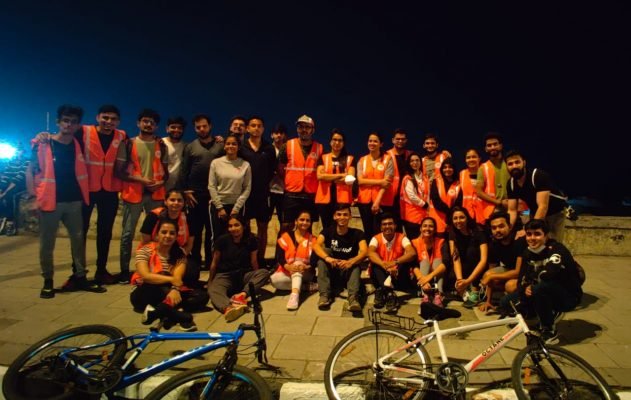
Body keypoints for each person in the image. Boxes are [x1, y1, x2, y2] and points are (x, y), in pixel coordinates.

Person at [27, 105, 106, 298]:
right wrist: (32, 198)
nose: (68, 125)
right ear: (58, 122)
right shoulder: (44, 143)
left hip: (74, 200)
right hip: (50, 200)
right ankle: (48, 281)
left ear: (78, 125)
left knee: (78, 241)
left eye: (73, 122)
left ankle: (80, 276)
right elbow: (31, 170)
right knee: (47, 244)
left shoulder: (77, 144)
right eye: (65, 120)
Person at [500, 219, 583, 344]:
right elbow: (521, 279)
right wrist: (525, 288)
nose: (532, 238)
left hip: (567, 295)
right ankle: (537, 314)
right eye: (529, 234)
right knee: (506, 303)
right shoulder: (527, 253)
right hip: (539, 290)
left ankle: (549, 330)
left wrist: (532, 284)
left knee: (540, 288)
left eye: (537, 234)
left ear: (546, 235)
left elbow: (549, 273)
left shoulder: (557, 249)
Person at [115, 109, 169, 283]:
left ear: (156, 126)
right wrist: (140, 180)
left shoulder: (161, 145)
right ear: (138, 123)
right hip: (133, 194)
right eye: (145, 121)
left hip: (156, 194)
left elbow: (166, 173)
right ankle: (125, 270)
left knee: (156, 234)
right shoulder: (128, 144)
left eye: (152, 122)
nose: (148, 124)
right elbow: (120, 172)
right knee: (127, 234)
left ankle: (154, 268)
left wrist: (160, 183)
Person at [131, 219, 209, 332]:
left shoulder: (179, 253)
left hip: (168, 290)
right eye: (164, 232)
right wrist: (173, 285)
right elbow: (146, 276)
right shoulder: (145, 250)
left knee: (202, 297)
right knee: (162, 276)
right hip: (145, 292)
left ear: (176, 236)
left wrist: (175, 289)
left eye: (172, 233)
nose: (168, 236)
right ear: (157, 234)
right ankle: (181, 315)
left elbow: (178, 277)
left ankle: (158, 312)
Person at [177, 114, 224, 271]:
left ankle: (211, 262)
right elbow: (184, 170)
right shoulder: (190, 147)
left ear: (210, 126)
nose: (202, 129)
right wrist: (186, 191)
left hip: (214, 195)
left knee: (212, 231)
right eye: (198, 127)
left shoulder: (220, 146)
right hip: (194, 196)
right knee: (195, 231)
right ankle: (195, 262)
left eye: (204, 126)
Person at [208, 214, 270, 322]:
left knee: (264, 272)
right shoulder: (222, 240)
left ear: (243, 226)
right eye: (230, 226)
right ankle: (229, 307)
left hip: (243, 275)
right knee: (213, 290)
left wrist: (256, 280)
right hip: (225, 275)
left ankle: (241, 296)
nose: (233, 229)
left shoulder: (251, 240)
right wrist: (210, 281)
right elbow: (214, 262)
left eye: (236, 225)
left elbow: (254, 261)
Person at [313, 203, 368, 312]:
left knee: (356, 263)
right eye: (339, 214)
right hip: (333, 269)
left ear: (350, 217)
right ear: (334, 216)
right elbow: (316, 245)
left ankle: (353, 299)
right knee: (323, 256)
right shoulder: (327, 231)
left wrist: (351, 261)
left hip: (348, 271)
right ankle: (324, 296)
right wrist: (328, 258)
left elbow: (364, 251)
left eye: (345, 215)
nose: (342, 217)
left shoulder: (358, 233)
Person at [505, 150, 568, 242]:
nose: (514, 166)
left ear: (524, 162)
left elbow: (543, 206)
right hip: (535, 212)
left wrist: (528, 230)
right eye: (510, 164)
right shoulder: (511, 184)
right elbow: (512, 210)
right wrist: (508, 228)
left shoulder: (538, 176)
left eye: (517, 162)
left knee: (553, 244)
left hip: (555, 213)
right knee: (532, 242)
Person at [138, 190, 197, 286]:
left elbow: (189, 245)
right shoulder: (153, 216)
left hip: (178, 254)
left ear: (184, 202)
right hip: (155, 254)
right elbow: (145, 241)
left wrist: (178, 261)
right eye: (172, 200)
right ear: (165, 201)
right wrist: (161, 261)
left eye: (179, 200)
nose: (176, 203)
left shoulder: (188, 218)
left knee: (192, 272)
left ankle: (177, 289)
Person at [277, 115, 323, 232]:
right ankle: (283, 251)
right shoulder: (287, 146)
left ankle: (305, 250)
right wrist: (289, 180)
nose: (304, 129)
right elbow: (280, 168)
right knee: (286, 227)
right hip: (291, 194)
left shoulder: (320, 148)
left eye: (307, 127)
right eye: (301, 126)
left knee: (308, 228)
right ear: (297, 129)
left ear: (313, 130)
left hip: (310, 195)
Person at [241, 116, 277, 265]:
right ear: (247, 128)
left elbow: (272, 170)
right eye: (253, 125)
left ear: (263, 129)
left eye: (259, 126)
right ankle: (246, 259)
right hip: (245, 194)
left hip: (262, 194)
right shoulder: (241, 146)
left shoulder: (268, 148)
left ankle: (261, 260)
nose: (256, 128)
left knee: (263, 227)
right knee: (244, 227)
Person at [368, 213, 417, 313]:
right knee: (375, 264)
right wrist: (385, 266)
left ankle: (381, 292)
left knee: (405, 260)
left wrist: (395, 263)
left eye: (390, 224)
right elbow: (370, 253)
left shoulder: (402, 237)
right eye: (384, 224)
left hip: (397, 275)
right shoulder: (375, 238)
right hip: (381, 274)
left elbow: (412, 253)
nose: (387, 226)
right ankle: (390, 294)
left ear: (395, 226)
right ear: (381, 227)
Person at [208, 134, 252, 245]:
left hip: (237, 207)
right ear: (224, 146)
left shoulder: (245, 164)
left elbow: (247, 188)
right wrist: (219, 207)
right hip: (219, 206)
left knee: (237, 237)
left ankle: (234, 262)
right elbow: (211, 186)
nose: (230, 146)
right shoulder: (216, 163)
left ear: (238, 147)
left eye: (234, 144)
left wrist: (237, 208)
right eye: (228, 143)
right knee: (217, 237)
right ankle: (216, 262)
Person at [478, 211, 526, 312]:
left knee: (510, 285)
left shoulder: (519, 241)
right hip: (510, 271)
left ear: (509, 226)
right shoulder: (494, 245)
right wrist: (488, 301)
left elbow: (518, 272)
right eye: (494, 228)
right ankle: (500, 298)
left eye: (501, 226)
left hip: (525, 274)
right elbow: (490, 273)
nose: (497, 230)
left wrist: (492, 276)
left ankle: (521, 305)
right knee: (487, 274)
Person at [270, 211, 317, 310]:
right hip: (287, 270)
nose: (304, 222)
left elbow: (314, 260)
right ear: (296, 222)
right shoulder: (285, 236)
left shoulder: (313, 239)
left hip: (306, 272)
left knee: (297, 264)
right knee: (274, 281)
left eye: (307, 220)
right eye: (302, 220)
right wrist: (288, 266)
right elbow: (280, 257)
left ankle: (294, 296)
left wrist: (306, 267)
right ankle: (305, 287)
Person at [447, 206, 488, 308]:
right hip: (465, 265)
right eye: (455, 218)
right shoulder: (453, 232)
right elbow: (455, 258)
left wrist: (468, 281)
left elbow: (484, 260)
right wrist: (460, 281)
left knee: (471, 252)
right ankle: (465, 288)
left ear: (467, 218)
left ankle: (475, 288)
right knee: (452, 276)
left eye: (462, 217)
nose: (458, 221)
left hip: (479, 266)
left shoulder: (478, 231)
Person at [315, 129, 356, 230]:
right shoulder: (323, 158)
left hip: (342, 200)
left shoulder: (350, 159)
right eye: (334, 139)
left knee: (341, 228)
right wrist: (342, 175)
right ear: (330, 141)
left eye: (340, 140)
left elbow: (350, 179)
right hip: (324, 200)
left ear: (343, 143)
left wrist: (328, 177)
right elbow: (320, 176)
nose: (337, 142)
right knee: (327, 228)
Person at [356, 132, 394, 240]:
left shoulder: (388, 159)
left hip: (382, 201)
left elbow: (387, 183)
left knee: (380, 230)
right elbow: (360, 181)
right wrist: (380, 182)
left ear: (381, 144)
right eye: (370, 141)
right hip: (364, 201)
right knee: (367, 230)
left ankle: (380, 254)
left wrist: (377, 201)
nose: (372, 143)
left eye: (375, 141)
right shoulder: (362, 160)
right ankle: (368, 254)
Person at [411, 217, 447, 308]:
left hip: (437, 275)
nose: (427, 228)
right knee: (425, 262)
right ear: (420, 228)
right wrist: (423, 280)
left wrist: (429, 277)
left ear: (435, 230)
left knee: (438, 261)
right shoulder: (415, 242)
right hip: (421, 276)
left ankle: (438, 294)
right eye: (425, 226)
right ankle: (425, 295)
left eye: (431, 226)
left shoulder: (441, 242)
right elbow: (413, 265)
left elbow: (446, 263)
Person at [475, 132, 510, 224]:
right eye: (489, 145)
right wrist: (499, 203)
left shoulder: (510, 164)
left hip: (517, 206)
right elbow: (478, 192)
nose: (492, 147)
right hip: (496, 209)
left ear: (501, 146)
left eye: (495, 144)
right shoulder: (483, 168)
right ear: (486, 149)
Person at [385, 129, 412, 227]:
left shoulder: (411, 155)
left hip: (408, 197)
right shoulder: (386, 155)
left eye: (403, 139)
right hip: (391, 196)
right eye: (398, 139)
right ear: (393, 140)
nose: (400, 141)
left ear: (406, 141)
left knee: (409, 225)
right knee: (393, 225)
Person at [399, 151, 429, 239]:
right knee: (414, 241)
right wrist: (424, 204)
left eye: (417, 160)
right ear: (409, 163)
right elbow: (411, 196)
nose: (415, 163)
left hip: (423, 214)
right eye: (412, 161)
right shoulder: (408, 178)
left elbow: (427, 194)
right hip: (411, 216)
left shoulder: (424, 177)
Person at [0, 143, 27, 236]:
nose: (17, 153)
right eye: (16, 151)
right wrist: (1, 189)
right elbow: (6, 176)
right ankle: (3, 217)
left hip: (21, 184)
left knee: (9, 196)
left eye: (19, 151)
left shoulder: (26, 161)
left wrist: (5, 192)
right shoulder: (11, 161)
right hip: (10, 182)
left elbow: (19, 178)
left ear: (23, 152)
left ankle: (11, 222)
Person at [428, 157, 461, 236]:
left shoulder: (458, 183)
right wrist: (449, 212)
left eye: (450, 167)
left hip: (452, 221)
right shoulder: (436, 181)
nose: (447, 169)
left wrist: (450, 216)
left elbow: (459, 202)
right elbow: (435, 200)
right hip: (437, 219)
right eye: (445, 167)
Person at [459, 148, 485, 225]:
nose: (471, 159)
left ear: (479, 158)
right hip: (467, 215)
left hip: (483, 213)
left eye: (474, 157)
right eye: (468, 157)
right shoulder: (462, 174)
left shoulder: (485, 172)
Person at [269, 123, 287, 223]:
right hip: (268, 190)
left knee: (284, 221)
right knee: (263, 222)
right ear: (272, 135)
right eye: (276, 133)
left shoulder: (289, 150)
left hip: (284, 191)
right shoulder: (266, 149)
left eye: (281, 133)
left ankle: (281, 239)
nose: (279, 135)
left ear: (284, 135)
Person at [163, 116, 187, 192]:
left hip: (178, 190)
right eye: (173, 127)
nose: (176, 130)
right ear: (167, 129)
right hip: (159, 187)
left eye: (179, 128)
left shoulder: (186, 146)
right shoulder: (159, 143)